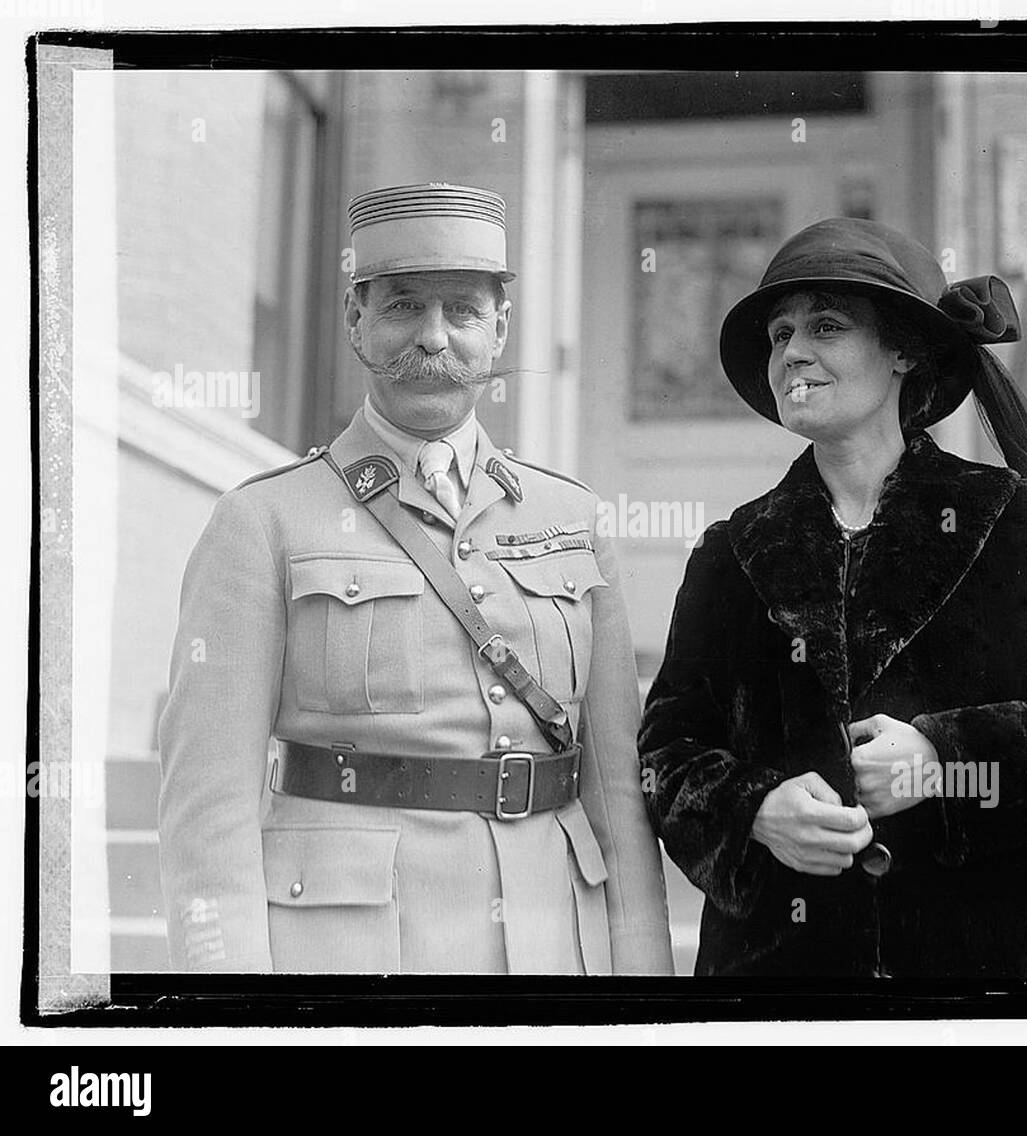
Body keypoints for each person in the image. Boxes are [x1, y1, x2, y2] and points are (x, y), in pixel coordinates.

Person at [158, 182, 673, 975]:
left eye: (463, 311)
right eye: (402, 307)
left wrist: (644, 993)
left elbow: (616, 791)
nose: (432, 339)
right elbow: (208, 809)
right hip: (352, 956)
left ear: (499, 329)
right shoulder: (263, 523)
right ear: (355, 320)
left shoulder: (573, 518)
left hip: (554, 946)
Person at [638, 218, 1027, 979]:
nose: (793, 352)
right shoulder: (732, 550)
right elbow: (667, 754)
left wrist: (943, 761)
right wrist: (753, 810)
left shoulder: (1011, 521)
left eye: (826, 326)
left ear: (904, 352)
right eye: (781, 333)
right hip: (782, 982)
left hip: (990, 974)